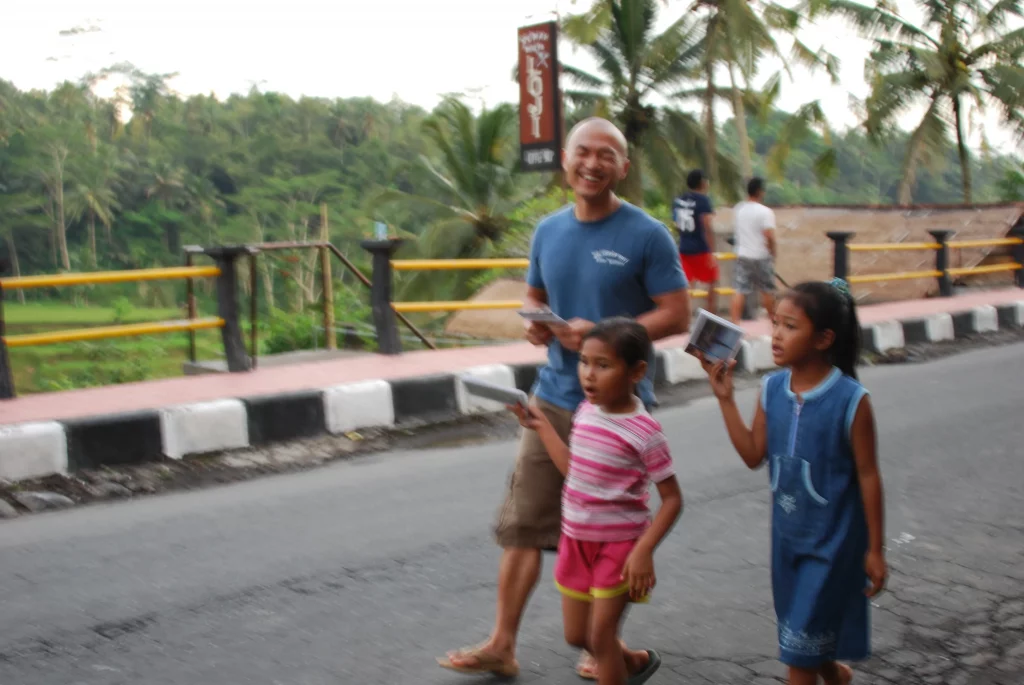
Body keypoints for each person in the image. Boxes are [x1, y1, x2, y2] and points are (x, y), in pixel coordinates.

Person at [437, 117, 690, 680]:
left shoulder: (646, 234)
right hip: (552, 395)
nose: (592, 163)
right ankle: (503, 643)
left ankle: (605, 647)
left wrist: (599, 334)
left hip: (617, 406)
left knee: (607, 526)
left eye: (607, 155)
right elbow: (534, 293)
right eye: (583, 152)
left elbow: (677, 312)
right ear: (566, 162)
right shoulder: (549, 230)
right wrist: (536, 325)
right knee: (525, 520)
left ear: (623, 168)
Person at [700, 278, 887, 685]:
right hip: (787, 543)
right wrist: (725, 399)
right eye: (775, 324)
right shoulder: (771, 390)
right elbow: (753, 454)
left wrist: (875, 549)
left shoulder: (852, 400)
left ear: (823, 339)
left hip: (833, 548)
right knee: (799, 636)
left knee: (798, 659)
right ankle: (834, 674)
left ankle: (824, 671)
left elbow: (869, 476)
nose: (777, 335)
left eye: (790, 326)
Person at [509, 317, 682, 685]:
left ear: (636, 371)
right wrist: (541, 425)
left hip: (620, 547)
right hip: (576, 540)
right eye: (584, 362)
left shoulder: (644, 431)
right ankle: (633, 663)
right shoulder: (586, 412)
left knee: (600, 638)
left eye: (603, 365)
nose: (588, 375)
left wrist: (644, 551)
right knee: (578, 637)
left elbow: (672, 499)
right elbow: (575, 469)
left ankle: (620, 666)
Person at [730, 177, 778, 323]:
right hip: (761, 256)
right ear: (760, 192)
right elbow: (769, 235)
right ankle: (773, 322)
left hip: (742, 255)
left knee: (740, 290)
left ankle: (735, 323)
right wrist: (773, 251)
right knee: (767, 290)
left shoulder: (739, 209)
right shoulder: (765, 212)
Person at [673, 169, 719, 314]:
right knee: (712, 284)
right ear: (702, 182)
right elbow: (706, 225)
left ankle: (683, 315)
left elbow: (676, 224)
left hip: (684, 247)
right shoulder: (703, 201)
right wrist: (712, 251)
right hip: (701, 248)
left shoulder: (678, 201)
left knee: (686, 286)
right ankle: (711, 316)